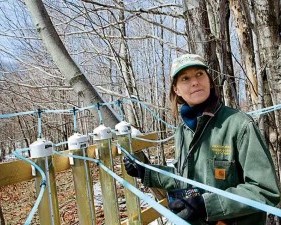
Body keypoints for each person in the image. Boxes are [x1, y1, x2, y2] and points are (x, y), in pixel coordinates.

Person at [124, 53, 280, 225]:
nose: (194, 82)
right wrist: (146, 172)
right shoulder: (182, 131)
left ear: (209, 81)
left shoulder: (239, 125)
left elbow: (265, 190)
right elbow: (181, 177)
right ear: (176, 89)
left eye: (199, 74)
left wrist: (206, 205)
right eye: (185, 78)